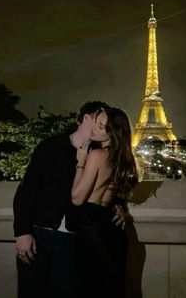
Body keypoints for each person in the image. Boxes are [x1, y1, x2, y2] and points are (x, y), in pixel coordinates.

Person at [13, 101, 126, 298]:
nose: (102, 129)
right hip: (40, 233)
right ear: (87, 119)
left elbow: (108, 188)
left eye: (106, 126)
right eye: (99, 123)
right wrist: (22, 231)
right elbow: (26, 191)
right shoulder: (51, 147)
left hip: (73, 239)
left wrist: (120, 207)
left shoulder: (96, 154)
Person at [71, 107, 138, 298]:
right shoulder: (121, 158)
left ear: (112, 132)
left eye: (101, 127)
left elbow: (77, 198)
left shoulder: (96, 155)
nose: (95, 129)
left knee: (91, 286)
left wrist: (81, 162)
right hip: (111, 227)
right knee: (112, 285)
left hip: (91, 226)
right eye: (96, 123)